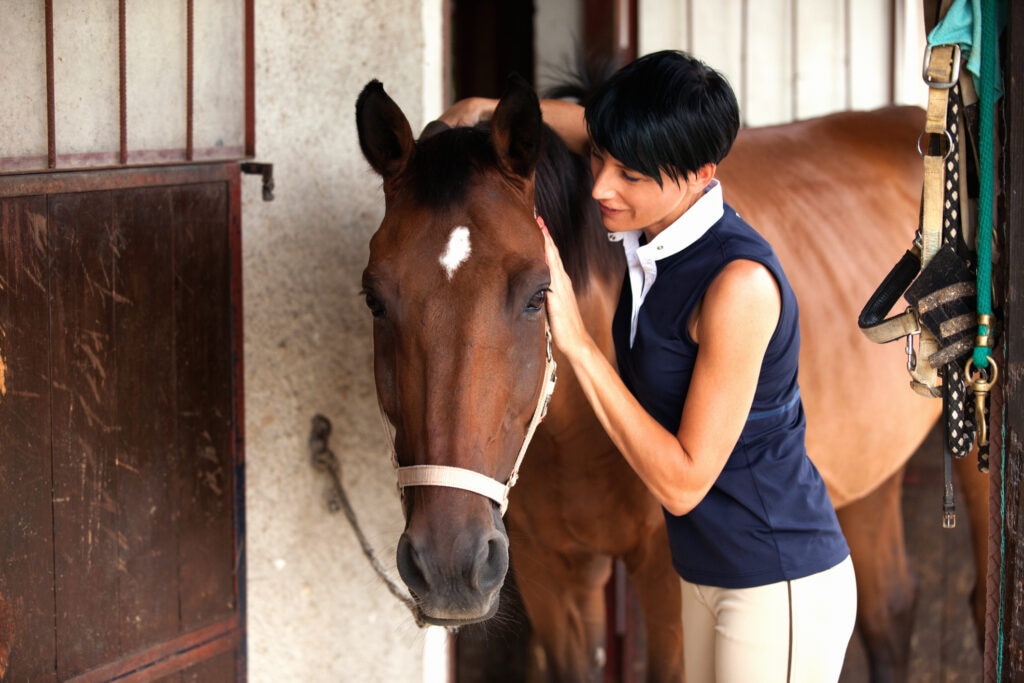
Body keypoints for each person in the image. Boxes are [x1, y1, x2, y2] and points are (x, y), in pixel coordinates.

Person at [441, 49, 856, 683]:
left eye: (629, 174)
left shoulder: (735, 284)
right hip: (705, 574)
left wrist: (576, 342)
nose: (602, 185)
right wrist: (484, 111)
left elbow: (684, 484)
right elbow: (588, 127)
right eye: (600, 160)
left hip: (778, 581)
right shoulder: (652, 232)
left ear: (699, 174)